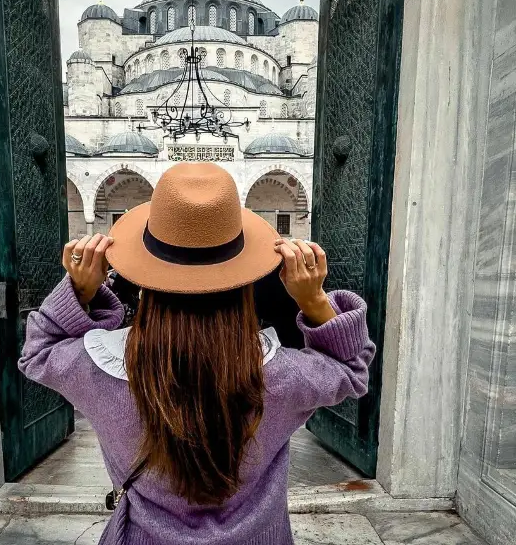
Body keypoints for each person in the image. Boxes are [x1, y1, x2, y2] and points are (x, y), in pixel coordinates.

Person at [19, 162, 374, 545]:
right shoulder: (285, 378)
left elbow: (38, 351)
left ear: (146, 285)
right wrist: (315, 300)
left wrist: (81, 290)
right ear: (243, 284)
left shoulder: (97, 372)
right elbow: (350, 368)